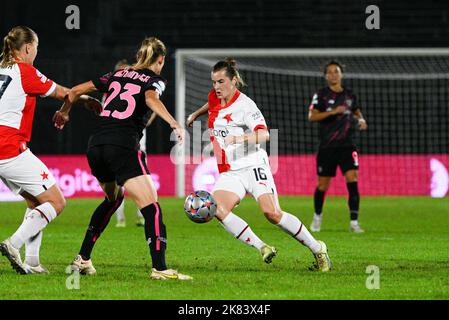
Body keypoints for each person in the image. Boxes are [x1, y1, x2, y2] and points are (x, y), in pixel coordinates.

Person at [53, 37, 191, 280]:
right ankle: (160, 269)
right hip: (123, 145)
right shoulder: (155, 79)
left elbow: (74, 91)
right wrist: (174, 123)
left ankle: (83, 258)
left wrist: (64, 113)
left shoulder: (116, 75)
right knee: (152, 208)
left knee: (113, 199)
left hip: (96, 145)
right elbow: (150, 99)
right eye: (162, 62)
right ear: (160, 61)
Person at [186, 58, 332, 272]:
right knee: (217, 208)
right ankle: (262, 247)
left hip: (253, 165)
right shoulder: (215, 96)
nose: (216, 87)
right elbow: (211, 104)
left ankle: (318, 248)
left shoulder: (245, 105)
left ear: (234, 81)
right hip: (230, 171)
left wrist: (239, 139)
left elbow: (263, 134)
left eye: (221, 82)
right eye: (214, 82)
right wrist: (196, 115)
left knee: (272, 214)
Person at [0, 26, 101, 274]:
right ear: (27, 48)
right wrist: (87, 100)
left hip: (4, 148)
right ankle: (13, 244)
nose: (36, 52)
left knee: (36, 201)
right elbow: (64, 93)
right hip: (10, 146)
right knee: (56, 201)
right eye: (35, 48)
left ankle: (33, 263)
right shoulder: (25, 71)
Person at [308, 60, 368, 233]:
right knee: (323, 186)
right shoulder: (321, 95)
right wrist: (333, 112)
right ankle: (317, 217)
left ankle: (354, 222)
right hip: (327, 147)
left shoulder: (350, 95)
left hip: (348, 146)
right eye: (330, 72)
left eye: (336, 71)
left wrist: (361, 120)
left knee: (353, 180)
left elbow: (356, 110)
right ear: (326, 76)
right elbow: (312, 116)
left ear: (341, 74)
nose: (333, 74)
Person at [109, 59, 153, 228]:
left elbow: (153, 106)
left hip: (139, 149)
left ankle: (141, 217)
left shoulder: (139, 94)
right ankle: (120, 219)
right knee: (118, 187)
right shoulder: (112, 95)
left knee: (141, 185)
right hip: (120, 148)